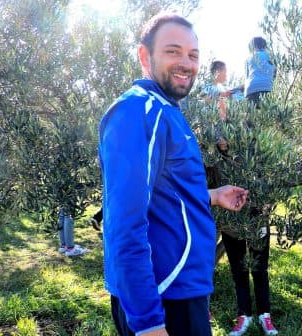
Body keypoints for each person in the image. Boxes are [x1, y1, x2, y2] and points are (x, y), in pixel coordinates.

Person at [98, 12, 249, 336]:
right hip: (162, 302)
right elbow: (123, 226)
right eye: (173, 51)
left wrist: (212, 195)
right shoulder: (139, 111)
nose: (186, 62)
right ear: (144, 56)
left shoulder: (166, 111)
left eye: (193, 55)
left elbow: (160, 194)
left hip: (182, 295)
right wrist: (150, 324)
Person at [243, 36, 275, 107]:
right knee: (270, 115)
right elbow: (275, 73)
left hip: (250, 90)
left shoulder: (248, 59)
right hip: (266, 88)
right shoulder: (270, 56)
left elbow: (247, 78)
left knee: (252, 116)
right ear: (264, 46)